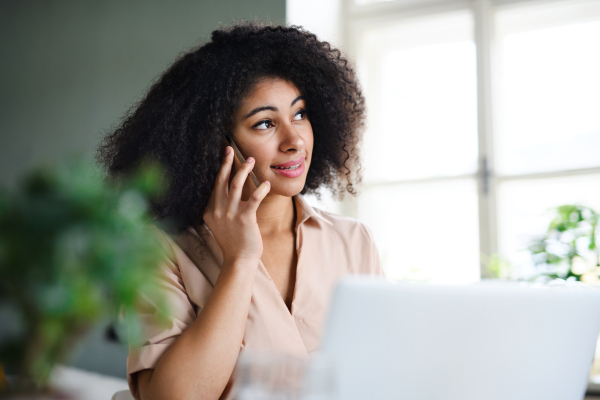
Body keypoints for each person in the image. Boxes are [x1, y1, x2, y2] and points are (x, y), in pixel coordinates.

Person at [96, 21, 384, 400]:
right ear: (212, 143)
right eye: (265, 123)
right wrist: (240, 261)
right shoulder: (160, 252)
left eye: (300, 114)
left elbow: (383, 376)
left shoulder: (352, 242)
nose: (295, 140)